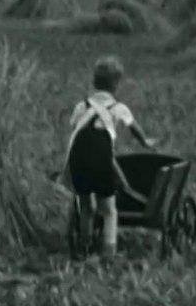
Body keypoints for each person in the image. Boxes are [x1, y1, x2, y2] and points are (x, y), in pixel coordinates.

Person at [65, 56, 156, 258]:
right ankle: (108, 253)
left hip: (78, 159)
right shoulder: (119, 108)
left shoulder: (81, 106)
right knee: (109, 211)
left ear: (94, 82)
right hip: (100, 161)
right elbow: (135, 129)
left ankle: (83, 248)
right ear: (116, 84)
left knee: (86, 207)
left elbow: (76, 129)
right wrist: (144, 142)